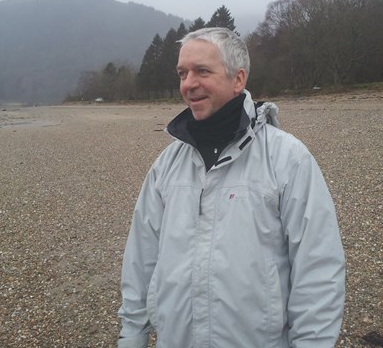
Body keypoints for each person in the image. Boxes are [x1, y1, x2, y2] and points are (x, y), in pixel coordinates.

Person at [118, 27, 345, 348]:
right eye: (182, 73)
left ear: (238, 79)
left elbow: (319, 267)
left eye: (202, 71)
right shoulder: (167, 165)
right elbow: (141, 258)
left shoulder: (287, 158)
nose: (188, 84)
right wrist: (132, 334)